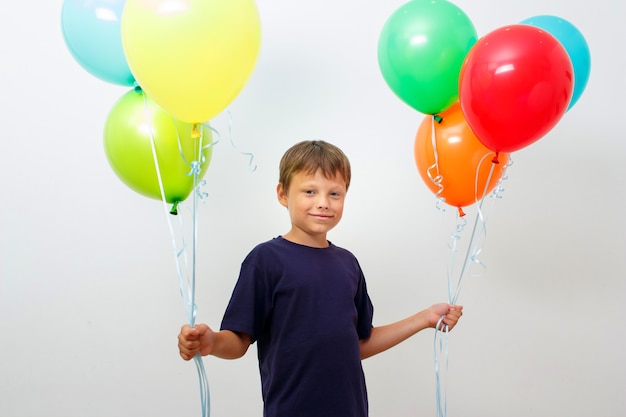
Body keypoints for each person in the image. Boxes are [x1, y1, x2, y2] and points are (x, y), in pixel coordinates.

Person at [178, 140, 463, 417]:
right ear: (282, 194)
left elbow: (359, 344)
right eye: (310, 192)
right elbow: (238, 340)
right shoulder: (265, 260)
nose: (323, 203)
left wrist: (425, 318)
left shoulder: (348, 263)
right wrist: (212, 342)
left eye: (334, 194)